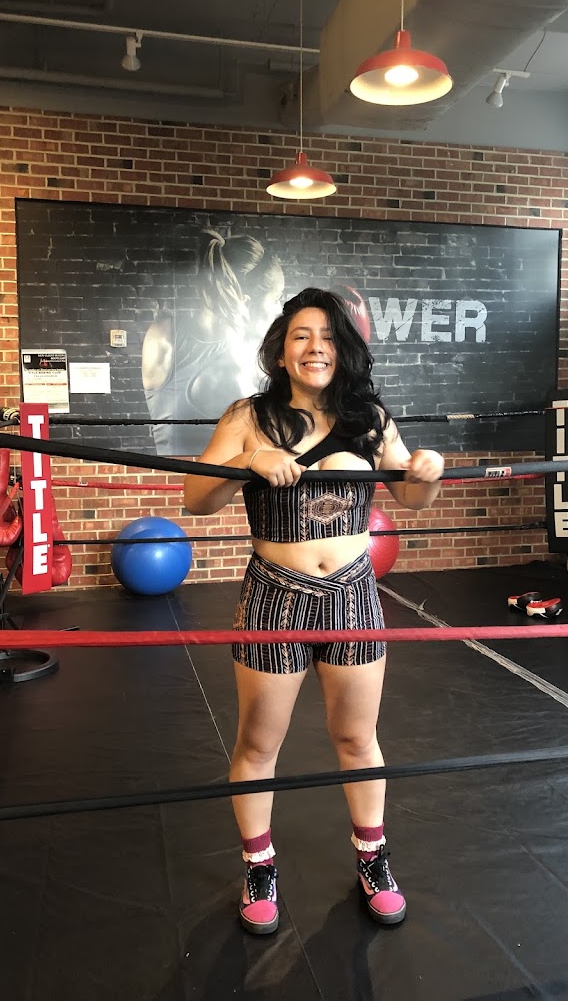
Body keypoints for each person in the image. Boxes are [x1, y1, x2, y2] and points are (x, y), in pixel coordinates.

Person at [183, 287, 444, 934]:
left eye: (327, 336)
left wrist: (427, 471)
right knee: (258, 745)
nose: (315, 347)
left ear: (344, 349)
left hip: (352, 594)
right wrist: (248, 459)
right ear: (281, 350)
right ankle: (259, 866)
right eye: (301, 335)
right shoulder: (249, 417)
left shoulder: (369, 418)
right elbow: (196, 499)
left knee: (357, 739)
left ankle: (373, 860)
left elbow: (412, 497)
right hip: (276, 592)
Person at [142, 228, 285, 456]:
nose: (279, 309)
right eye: (276, 298)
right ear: (245, 302)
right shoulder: (169, 338)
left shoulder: (163, 334)